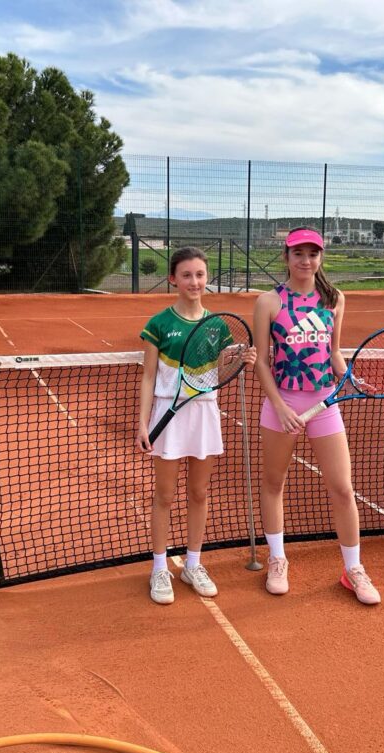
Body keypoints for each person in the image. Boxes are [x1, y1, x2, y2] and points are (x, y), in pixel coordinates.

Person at [252, 227, 381, 605]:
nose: (305, 261)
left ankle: (352, 569)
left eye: (312, 254)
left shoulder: (334, 299)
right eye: (298, 254)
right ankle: (278, 559)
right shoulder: (268, 303)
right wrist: (278, 405)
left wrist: (351, 378)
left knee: (342, 488)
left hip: (325, 403)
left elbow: (334, 353)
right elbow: (261, 360)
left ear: (320, 257)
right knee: (273, 484)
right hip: (283, 403)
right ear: (286, 257)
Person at [137, 247, 256, 605]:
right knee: (165, 495)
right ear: (173, 279)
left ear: (207, 279)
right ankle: (160, 567)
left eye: (200, 275)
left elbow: (215, 378)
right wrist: (142, 423)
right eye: (187, 275)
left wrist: (239, 361)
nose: (194, 281)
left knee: (200, 493)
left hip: (204, 414)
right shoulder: (159, 324)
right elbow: (147, 378)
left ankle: (192, 563)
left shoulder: (217, 326)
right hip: (166, 415)